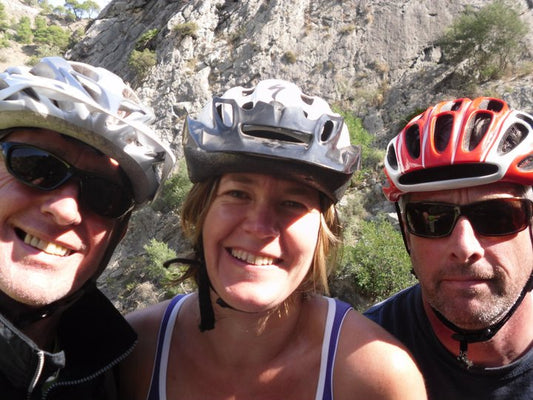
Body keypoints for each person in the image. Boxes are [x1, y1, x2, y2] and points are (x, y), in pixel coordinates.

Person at [119, 79, 427, 400]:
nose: (260, 227)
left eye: (293, 203)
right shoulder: (134, 351)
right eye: (238, 194)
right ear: (202, 212)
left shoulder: (376, 377)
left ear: (323, 232)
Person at [0, 56, 175, 399]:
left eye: (104, 194)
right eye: (34, 164)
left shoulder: (108, 373)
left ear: (119, 233)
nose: (65, 210)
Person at [364, 96, 533, 399]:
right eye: (432, 219)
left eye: (497, 217)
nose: (464, 247)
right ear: (406, 233)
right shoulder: (361, 356)